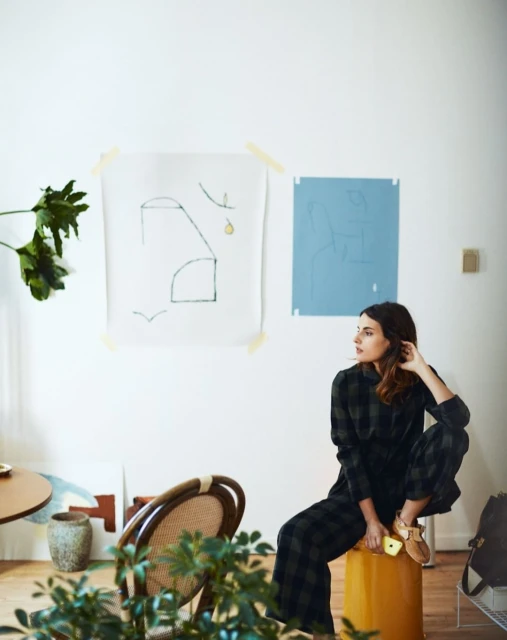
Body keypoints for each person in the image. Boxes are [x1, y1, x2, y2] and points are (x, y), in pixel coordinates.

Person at [266, 302, 470, 638]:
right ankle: (322, 634)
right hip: (359, 491)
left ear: (393, 341)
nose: (356, 338)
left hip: (409, 490)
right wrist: (372, 520)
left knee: (453, 434)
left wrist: (422, 367)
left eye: (368, 332)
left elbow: (458, 419)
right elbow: (349, 454)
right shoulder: (345, 383)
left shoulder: (417, 378)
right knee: (294, 534)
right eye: (358, 330)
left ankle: (405, 523)